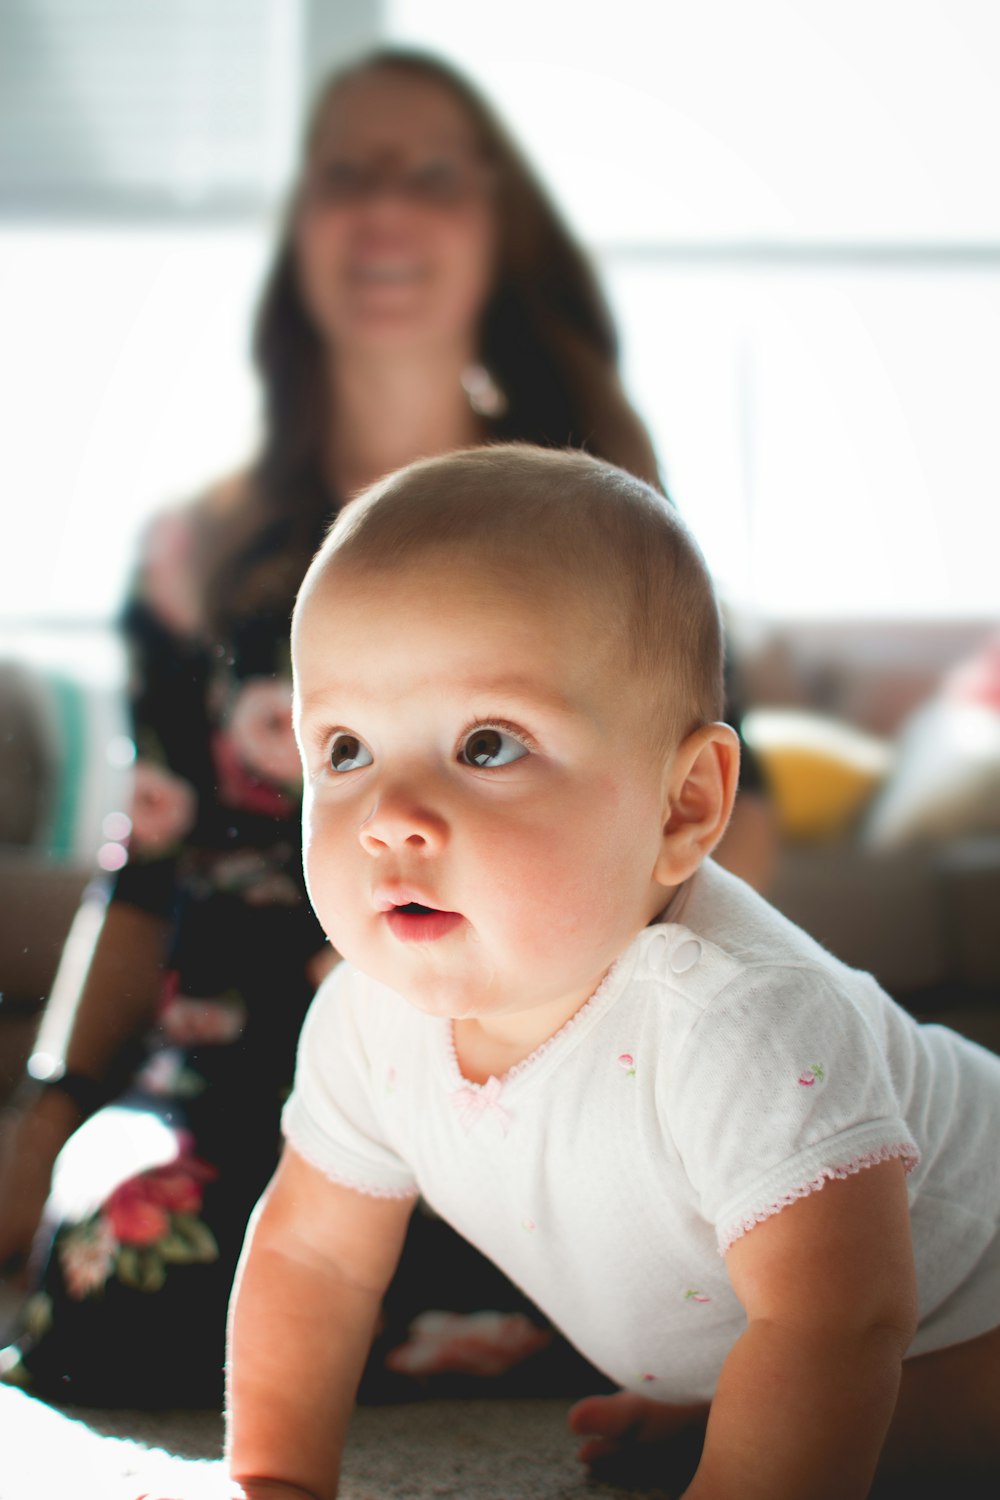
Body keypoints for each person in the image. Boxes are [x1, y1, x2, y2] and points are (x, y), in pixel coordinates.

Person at [0, 48, 772, 1407]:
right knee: (121, 1285)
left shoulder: (608, 521)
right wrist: (51, 1106)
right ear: (298, 234)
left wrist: (626, 1056)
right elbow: (148, 868)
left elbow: (719, 813)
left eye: (429, 174)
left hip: (543, 1053)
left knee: (710, 1286)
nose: (384, 209)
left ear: (498, 226)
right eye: (345, 174)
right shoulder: (198, 553)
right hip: (245, 1075)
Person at [177, 444, 1000, 1500]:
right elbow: (315, 1261)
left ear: (682, 806)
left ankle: (735, 1426)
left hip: (969, 1308)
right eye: (344, 750)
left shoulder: (737, 1021)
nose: (388, 818)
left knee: (936, 1427)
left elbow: (837, 1322)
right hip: (858, 1333)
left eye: (484, 745)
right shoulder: (365, 1018)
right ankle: (727, 1417)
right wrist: (275, 1479)